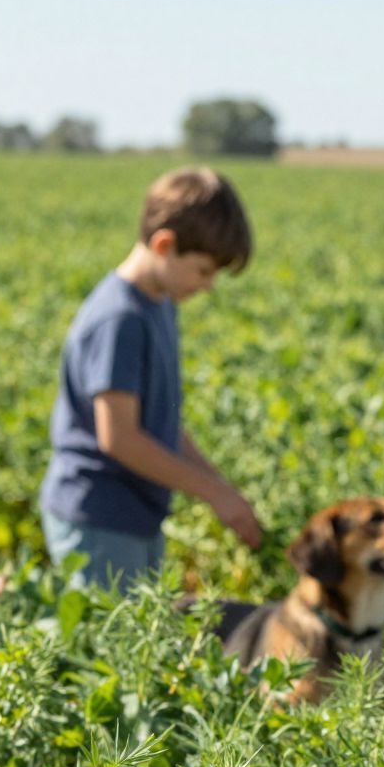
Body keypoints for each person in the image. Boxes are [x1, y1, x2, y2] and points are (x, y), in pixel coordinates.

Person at [40, 166, 263, 590]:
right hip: (99, 516)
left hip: (134, 514)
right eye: (202, 270)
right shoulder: (119, 318)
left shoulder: (157, 303)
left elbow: (160, 425)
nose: (209, 285)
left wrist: (221, 486)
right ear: (164, 245)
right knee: (115, 647)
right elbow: (119, 438)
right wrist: (213, 494)